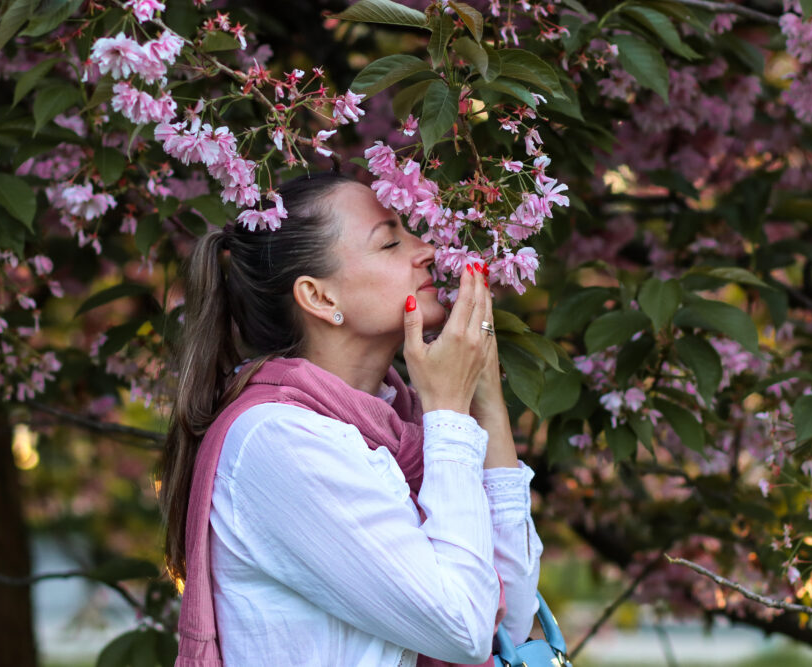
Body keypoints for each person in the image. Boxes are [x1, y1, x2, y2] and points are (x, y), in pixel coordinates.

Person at [158, 171, 543, 666]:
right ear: (320, 297)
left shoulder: (398, 431)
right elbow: (463, 629)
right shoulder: (277, 442)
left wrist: (483, 399)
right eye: (389, 242)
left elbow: (506, 624)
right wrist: (448, 412)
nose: (426, 249)